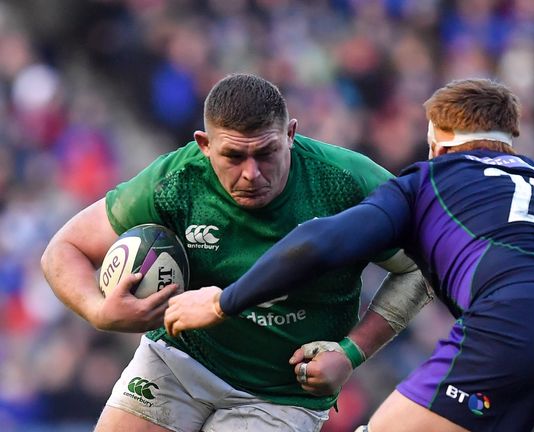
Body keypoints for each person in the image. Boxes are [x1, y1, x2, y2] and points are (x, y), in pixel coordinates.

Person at [164, 78, 534, 432]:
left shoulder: (427, 180)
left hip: (515, 319)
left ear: (437, 136)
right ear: (509, 141)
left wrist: (221, 303)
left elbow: (320, 241)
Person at [40, 73, 430, 431]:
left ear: (291, 134)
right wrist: (97, 310)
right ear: (204, 145)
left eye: (266, 153)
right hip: (179, 359)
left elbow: (421, 267)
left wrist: (352, 352)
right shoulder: (176, 181)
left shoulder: (347, 182)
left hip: (282, 393)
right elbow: (65, 248)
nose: (251, 173)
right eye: (234, 157)